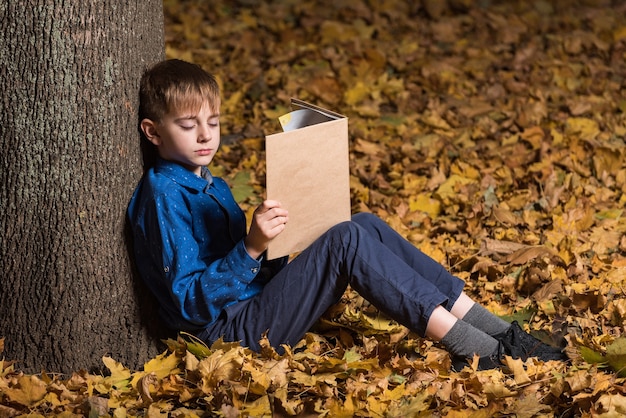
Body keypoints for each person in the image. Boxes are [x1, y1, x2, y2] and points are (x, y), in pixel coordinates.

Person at [127, 59, 567, 370]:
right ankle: (476, 350)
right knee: (345, 239)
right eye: (188, 126)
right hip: (222, 335)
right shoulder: (162, 192)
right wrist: (253, 246)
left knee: (362, 224)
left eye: (214, 123)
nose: (205, 135)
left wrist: (288, 233)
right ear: (153, 131)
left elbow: (254, 268)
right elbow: (189, 305)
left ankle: (499, 332)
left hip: (252, 305)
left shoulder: (212, 184)